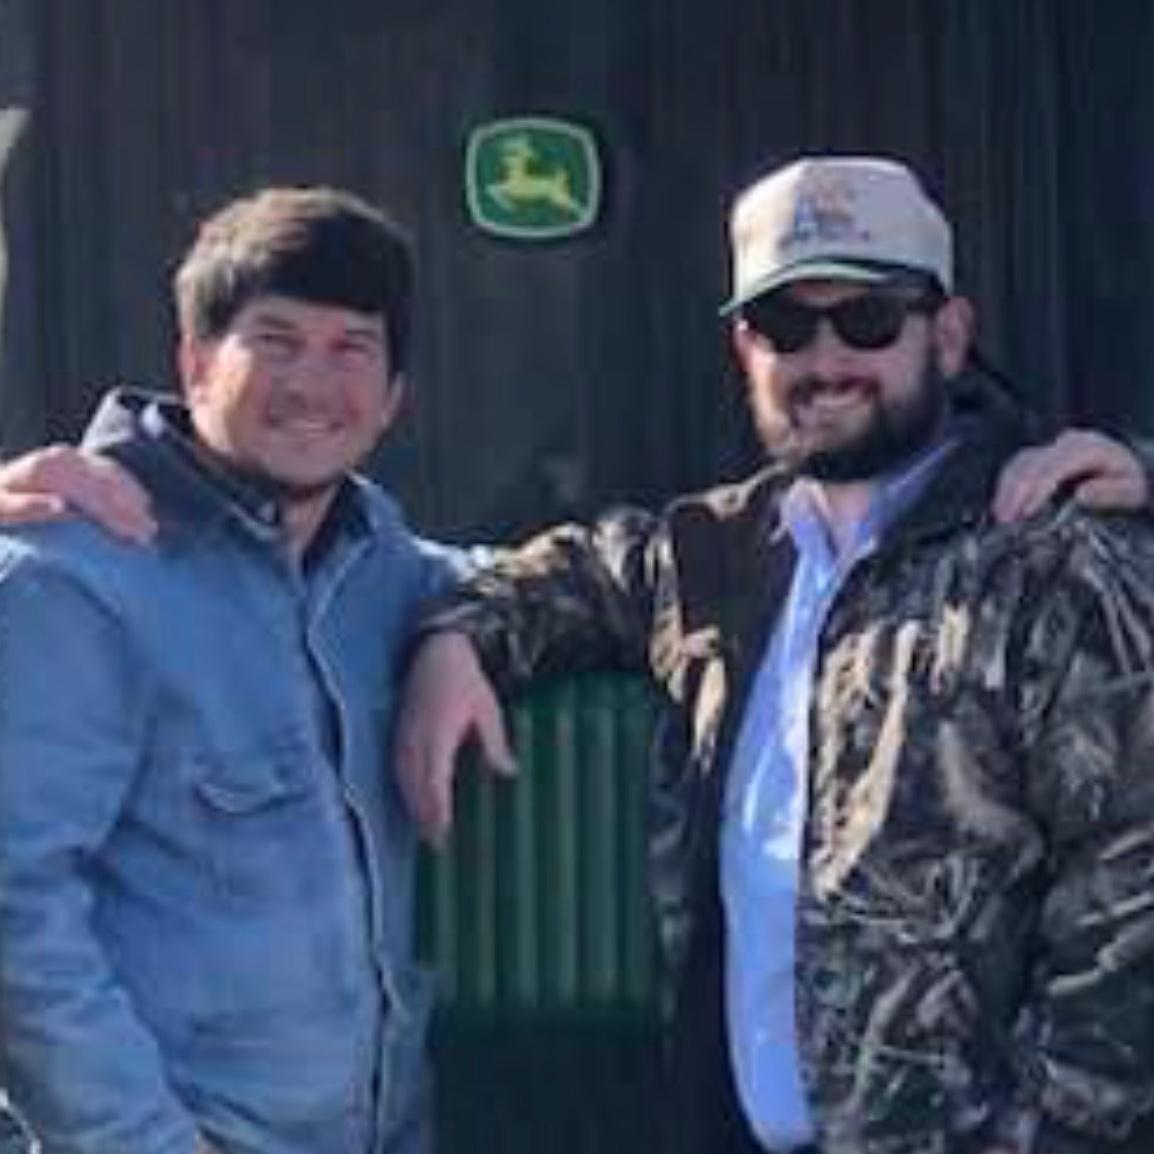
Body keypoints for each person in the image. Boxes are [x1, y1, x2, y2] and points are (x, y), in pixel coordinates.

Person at [394, 156, 1154, 1154]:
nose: (825, 357)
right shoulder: (713, 554)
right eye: (785, 324)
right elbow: (573, 573)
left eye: (869, 319)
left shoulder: (1054, 558)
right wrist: (454, 640)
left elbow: (1130, 896)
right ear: (744, 346)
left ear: (948, 334)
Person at [0, 186, 464, 1154]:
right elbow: (16, 911)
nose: (312, 383)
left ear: (392, 397)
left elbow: (549, 572)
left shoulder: (379, 561)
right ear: (195, 360)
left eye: (351, 347)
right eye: (276, 340)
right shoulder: (69, 575)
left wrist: (459, 633)